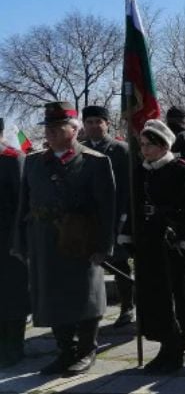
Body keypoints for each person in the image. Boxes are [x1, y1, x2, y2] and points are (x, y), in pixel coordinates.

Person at [12, 102, 115, 375]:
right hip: (43, 240)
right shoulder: (34, 162)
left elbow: (107, 209)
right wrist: (20, 242)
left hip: (81, 239)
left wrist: (104, 246)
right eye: (48, 128)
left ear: (74, 129)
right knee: (52, 296)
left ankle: (86, 350)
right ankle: (65, 350)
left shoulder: (96, 161)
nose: (51, 133)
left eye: (58, 127)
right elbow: (24, 206)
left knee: (86, 296)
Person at [119, 120, 185, 373]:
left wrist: (178, 231)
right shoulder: (139, 171)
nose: (144, 150)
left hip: (172, 242)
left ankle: (180, 345)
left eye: (150, 145)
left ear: (163, 145)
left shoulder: (180, 169)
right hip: (148, 243)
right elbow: (131, 206)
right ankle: (166, 343)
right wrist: (128, 234)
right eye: (142, 145)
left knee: (178, 295)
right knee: (153, 296)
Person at [81, 105, 134, 326]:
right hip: (87, 219)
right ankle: (90, 309)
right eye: (89, 122)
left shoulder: (120, 149)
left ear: (107, 123)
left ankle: (127, 306)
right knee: (88, 266)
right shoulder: (79, 149)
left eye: (98, 122)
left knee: (119, 263)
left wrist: (123, 217)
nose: (94, 126)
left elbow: (127, 187)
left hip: (115, 215)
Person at [0, 118, 27, 367]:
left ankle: (14, 345)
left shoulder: (12, 158)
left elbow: (22, 203)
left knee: (13, 295)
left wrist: (19, 240)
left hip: (9, 239)